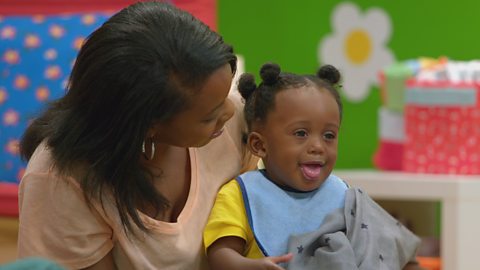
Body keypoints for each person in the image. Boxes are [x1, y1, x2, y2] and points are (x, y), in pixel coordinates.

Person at [17, 1, 254, 269]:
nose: (231, 111)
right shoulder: (60, 178)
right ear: (147, 125)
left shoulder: (236, 122)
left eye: (227, 94)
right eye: (208, 117)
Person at [203, 63, 424, 270]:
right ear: (259, 145)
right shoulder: (240, 194)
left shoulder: (344, 196)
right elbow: (220, 254)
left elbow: (389, 248)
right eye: (301, 133)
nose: (318, 146)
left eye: (329, 135)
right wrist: (251, 266)